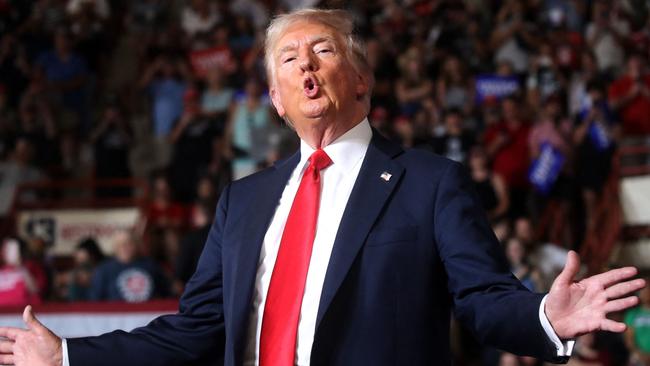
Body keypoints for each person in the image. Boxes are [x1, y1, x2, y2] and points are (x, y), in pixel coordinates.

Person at [0, 8, 646, 366]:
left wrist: (542, 317)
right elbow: (192, 330)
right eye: (289, 59)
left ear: (361, 82)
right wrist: (66, 359)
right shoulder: (242, 200)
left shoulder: (429, 182)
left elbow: (481, 300)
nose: (305, 64)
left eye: (324, 50)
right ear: (277, 102)